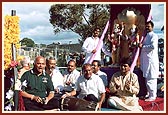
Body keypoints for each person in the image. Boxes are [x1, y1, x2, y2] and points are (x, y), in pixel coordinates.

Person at [139, 21, 159, 101]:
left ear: (152, 27)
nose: (147, 28)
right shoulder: (145, 36)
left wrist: (142, 46)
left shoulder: (154, 36)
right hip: (145, 60)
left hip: (151, 60)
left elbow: (152, 46)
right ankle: (148, 94)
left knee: (151, 78)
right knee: (147, 78)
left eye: (149, 26)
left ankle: (152, 96)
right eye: (146, 26)